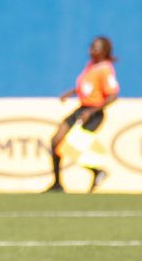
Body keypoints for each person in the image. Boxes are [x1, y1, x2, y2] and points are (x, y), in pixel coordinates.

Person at [45, 36, 120, 193]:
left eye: (95, 47)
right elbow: (87, 86)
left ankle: (97, 171)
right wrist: (71, 92)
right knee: (56, 140)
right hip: (82, 109)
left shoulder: (105, 69)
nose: (91, 50)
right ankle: (57, 183)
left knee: (70, 147)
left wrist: (91, 112)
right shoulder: (91, 65)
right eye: (91, 46)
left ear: (104, 51)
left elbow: (113, 95)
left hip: (93, 113)